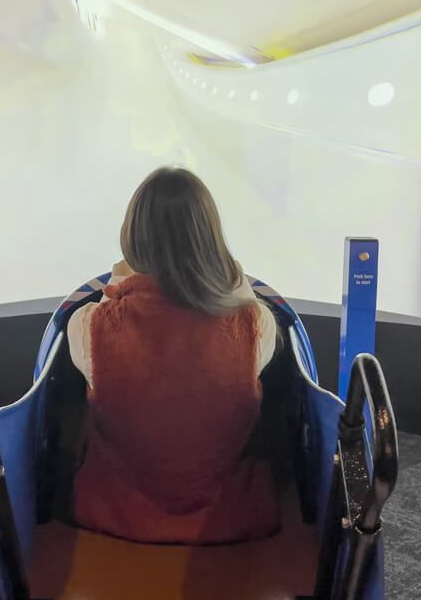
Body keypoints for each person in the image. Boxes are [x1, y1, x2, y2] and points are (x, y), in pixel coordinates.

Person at [66, 167, 280, 544]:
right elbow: (238, 296)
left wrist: (120, 279)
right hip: (229, 519)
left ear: (132, 235)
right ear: (210, 239)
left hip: (115, 517)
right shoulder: (255, 324)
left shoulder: (87, 326)